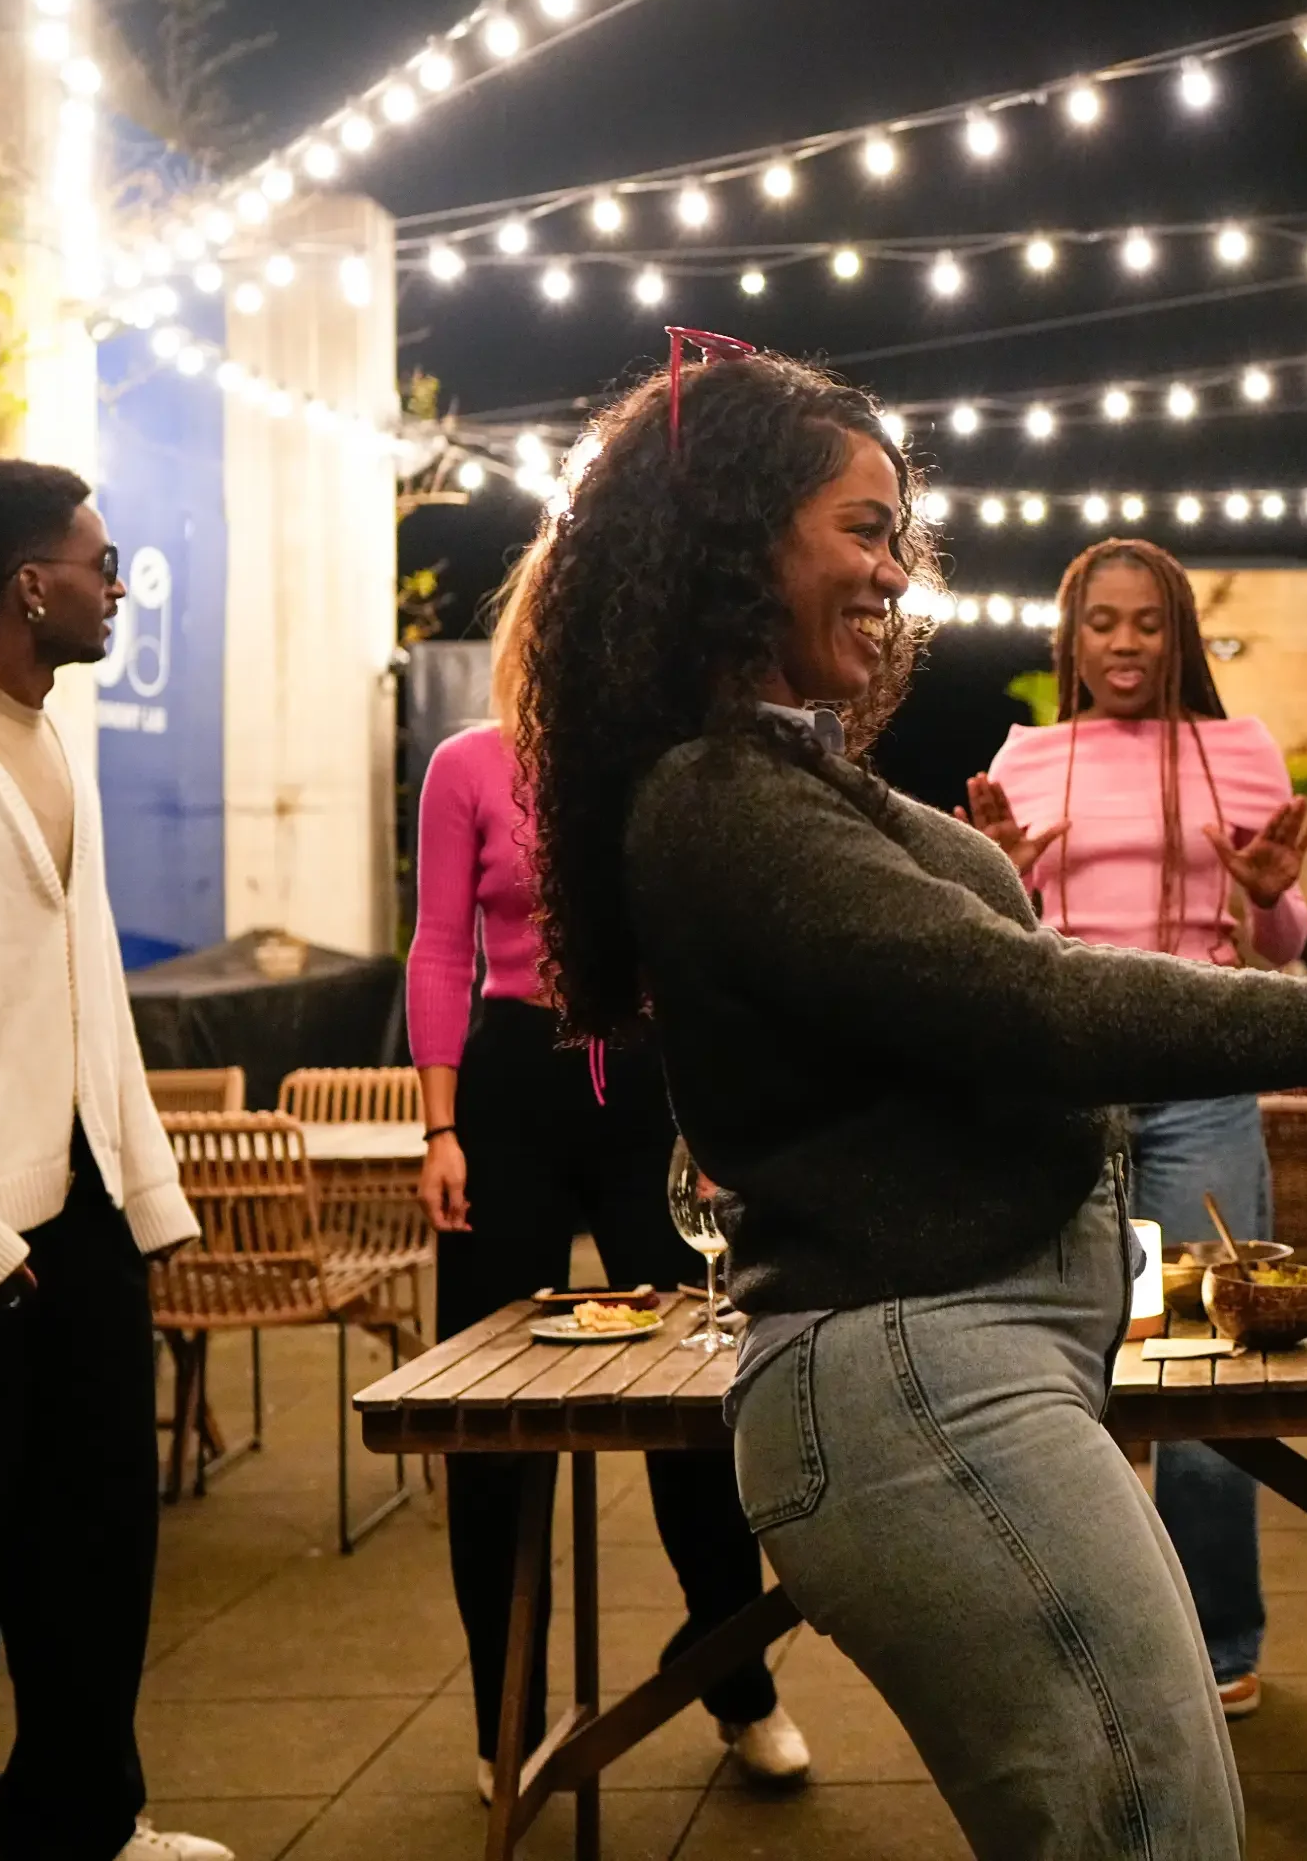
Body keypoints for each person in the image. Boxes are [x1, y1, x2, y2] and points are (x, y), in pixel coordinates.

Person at [511, 339, 1307, 1860]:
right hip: (916, 1380)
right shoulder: (720, 799)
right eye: (860, 527)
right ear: (733, 535)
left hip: (967, 1369)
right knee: (1147, 1823)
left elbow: (1005, 978)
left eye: (896, 533)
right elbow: (1031, 999)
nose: (897, 572)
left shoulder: (792, 777)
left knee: (1152, 1815)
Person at [409, 542, 807, 1803]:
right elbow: (436, 947)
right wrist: (438, 1127)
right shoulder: (468, 764)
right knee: (488, 1417)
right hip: (512, 1082)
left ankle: (736, 1686)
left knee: (705, 1403)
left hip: (649, 1083)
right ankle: (503, 1722)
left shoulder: (664, 762)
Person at [0, 460, 230, 1861]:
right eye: (99, 561)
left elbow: (89, 985)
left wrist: (148, 1195)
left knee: (98, 1554)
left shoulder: (56, 744)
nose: (118, 583)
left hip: (88, 1216)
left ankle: (78, 1822)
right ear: (26, 583)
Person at [964, 537, 1307, 1721]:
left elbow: (1286, 943)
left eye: (1146, 623)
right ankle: (1089, 1635)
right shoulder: (1027, 757)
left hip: (1202, 1071)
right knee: (1060, 1367)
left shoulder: (1238, 751)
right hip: (1065, 1081)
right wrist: (997, 881)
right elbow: (998, 948)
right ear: (1070, 640)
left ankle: (1218, 1642)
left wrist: (1268, 893)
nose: (1122, 644)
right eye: (1100, 624)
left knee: (1209, 1357)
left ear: (1179, 636)